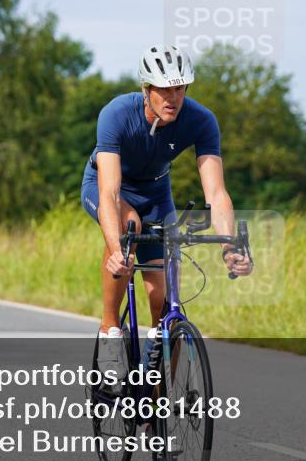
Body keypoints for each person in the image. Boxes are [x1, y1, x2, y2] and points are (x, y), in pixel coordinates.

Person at [81, 45, 252, 383]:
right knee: (129, 226)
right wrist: (117, 252)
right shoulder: (117, 114)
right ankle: (110, 328)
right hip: (108, 185)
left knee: (163, 300)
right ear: (147, 90)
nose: (173, 97)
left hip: (157, 193)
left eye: (180, 88)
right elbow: (110, 192)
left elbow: (216, 193)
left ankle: (153, 403)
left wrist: (230, 247)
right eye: (164, 89)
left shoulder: (201, 120)